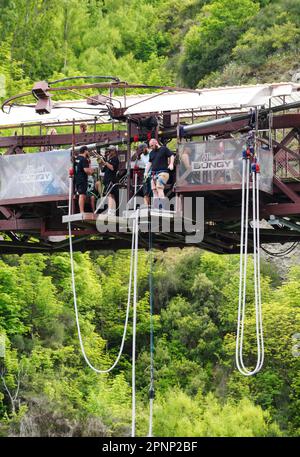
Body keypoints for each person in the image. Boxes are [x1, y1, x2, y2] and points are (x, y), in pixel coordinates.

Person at [144, 138, 175, 210]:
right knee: (154, 190)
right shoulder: (151, 153)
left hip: (163, 172)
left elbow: (171, 155)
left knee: (159, 188)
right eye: (150, 146)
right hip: (154, 174)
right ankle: (156, 207)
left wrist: (171, 164)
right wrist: (146, 172)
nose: (151, 147)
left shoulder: (164, 149)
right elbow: (149, 163)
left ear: (156, 143)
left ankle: (162, 208)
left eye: (152, 145)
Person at [74, 145, 95, 213]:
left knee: (81, 194)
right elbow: (86, 170)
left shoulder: (77, 159)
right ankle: (82, 211)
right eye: (88, 151)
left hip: (77, 179)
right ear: (85, 151)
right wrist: (92, 171)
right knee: (82, 195)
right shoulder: (84, 159)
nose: (88, 153)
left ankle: (80, 210)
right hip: (82, 179)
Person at [100, 145, 119, 216]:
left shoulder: (115, 159)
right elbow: (103, 170)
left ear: (114, 151)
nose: (108, 152)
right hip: (107, 180)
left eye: (110, 151)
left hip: (111, 179)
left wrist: (105, 162)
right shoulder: (109, 159)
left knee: (111, 195)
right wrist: (102, 162)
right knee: (109, 195)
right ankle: (110, 210)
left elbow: (112, 168)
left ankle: (111, 211)